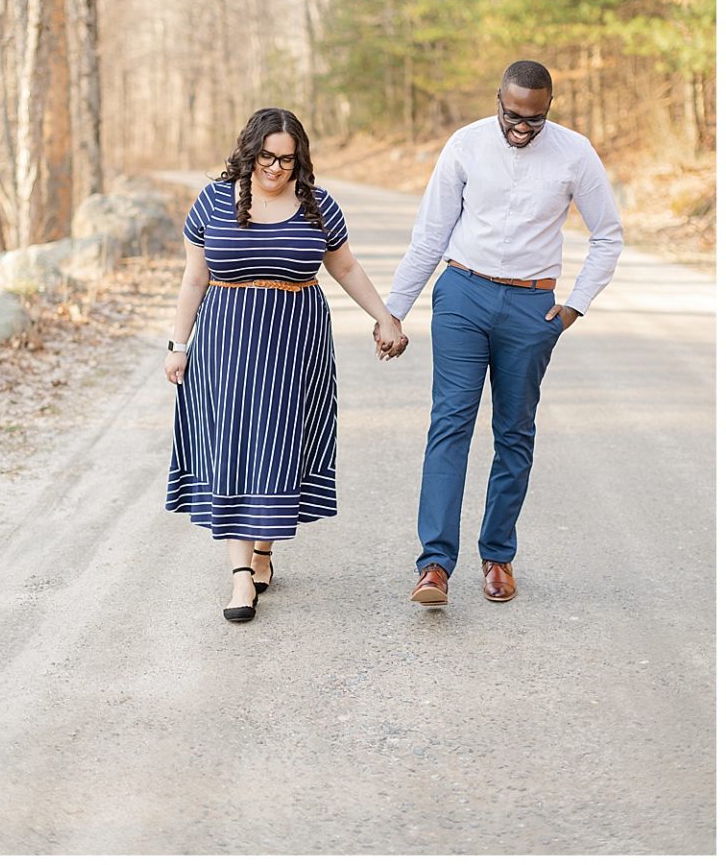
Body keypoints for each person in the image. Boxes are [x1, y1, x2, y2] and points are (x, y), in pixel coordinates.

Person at [386, 60, 622, 607]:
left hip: (531, 307)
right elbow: (430, 234)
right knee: (450, 424)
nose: (520, 126)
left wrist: (573, 308)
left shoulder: (574, 152)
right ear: (498, 98)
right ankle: (435, 566)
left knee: (515, 432)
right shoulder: (465, 145)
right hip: (463, 294)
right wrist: (394, 311)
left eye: (533, 119)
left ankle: (497, 556)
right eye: (511, 114)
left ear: (548, 109)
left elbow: (608, 236)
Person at [165, 107, 406, 624]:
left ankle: (264, 552)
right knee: (229, 448)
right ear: (249, 153)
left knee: (278, 447)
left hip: (297, 347)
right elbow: (193, 278)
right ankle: (238, 577)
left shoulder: (318, 206)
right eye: (267, 158)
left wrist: (385, 317)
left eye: (287, 160)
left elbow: (344, 266)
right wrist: (177, 345)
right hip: (223, 348)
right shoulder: (211, 202)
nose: (276, 169)